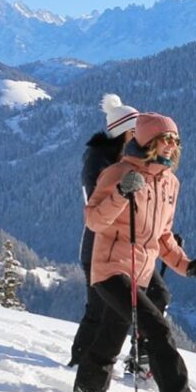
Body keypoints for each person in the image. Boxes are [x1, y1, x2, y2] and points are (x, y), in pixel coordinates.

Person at [73, 112, 196, 392]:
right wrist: (120, 194)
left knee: (110, 336)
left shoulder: (170, 183)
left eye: (176, 139)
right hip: (110, 270)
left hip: (141, 272)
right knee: (157, 328)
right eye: (166, 138)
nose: (172, 145)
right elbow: (94, 221)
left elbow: (162, 236)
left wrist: (189, 266)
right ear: (147, 141)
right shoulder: (117, 173)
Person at [68, 94, 139, 371]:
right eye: (135, 131)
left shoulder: (121, 159)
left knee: (119, 308)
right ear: (124, 132)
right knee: (99, 307)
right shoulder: (99, 161)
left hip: (121, 246)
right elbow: (97, 203)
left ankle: (93, 360)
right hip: (98, 245)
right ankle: (80, 361)